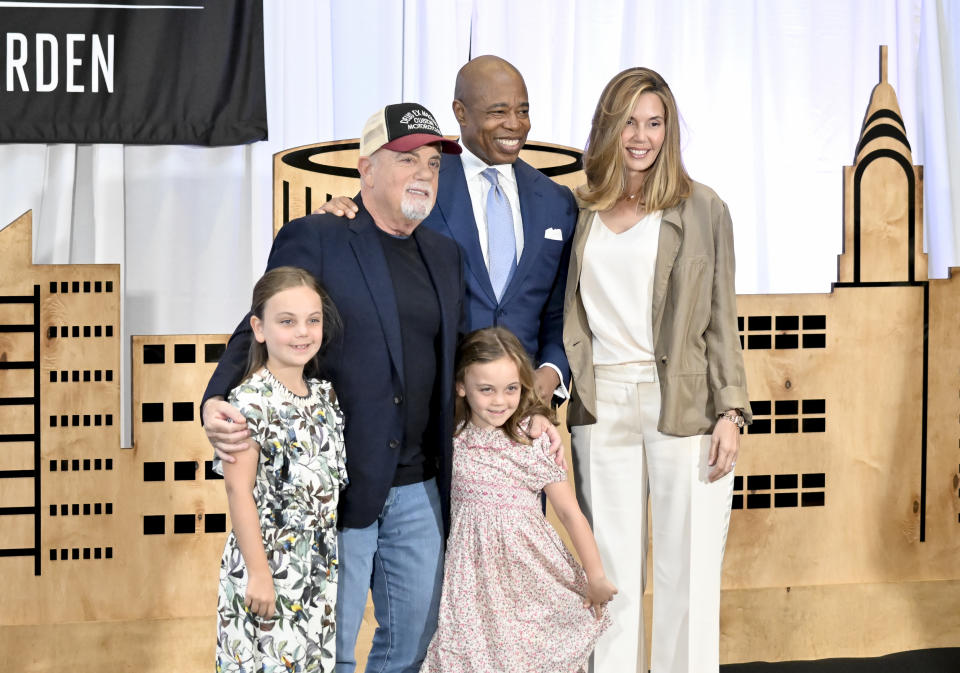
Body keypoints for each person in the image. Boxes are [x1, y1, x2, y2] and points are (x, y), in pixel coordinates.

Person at [203, 102, 465, 673]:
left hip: (421, 484)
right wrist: (215, 399)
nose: (424, 173)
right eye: (407, 160)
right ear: (365, 168)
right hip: (340, 487)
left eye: (433, 163)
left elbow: (459, 358)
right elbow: (259, 321)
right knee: (330, 651)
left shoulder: (446, 255)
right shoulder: (319, 235)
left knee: (413, 642)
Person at [563, 67, 752, 673]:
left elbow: (723, 316)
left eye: (654, 122)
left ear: (669, 129)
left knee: (688, 573)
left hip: (686, 404)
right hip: (602, 404)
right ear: (606, 128)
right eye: (627, 123)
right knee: (609, 578)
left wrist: (732, 412)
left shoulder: (703, 207)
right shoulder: (578, 205)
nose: (640, 137)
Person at [319, 55, 577, 404]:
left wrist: (551, 372)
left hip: (524, 408)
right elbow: (363, 223)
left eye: (523, 111)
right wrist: (334, 214)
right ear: (461, 112)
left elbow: (561, 310)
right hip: (433, 404)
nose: (514, 124)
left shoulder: (555, 201)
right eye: (498, 112)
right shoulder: (422, 182)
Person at [420, 327, 617, 673]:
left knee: (530, 658)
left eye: (511, 389)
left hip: (530, 579)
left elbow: (570, 513)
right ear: (461, 386)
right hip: (473, 586)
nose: (500, 401)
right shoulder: (453, 439)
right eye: (486, 390)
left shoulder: (534, 439)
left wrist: (596, 574)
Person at [215, 266, 346, 673]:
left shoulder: (323, 395)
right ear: (259, 328)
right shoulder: (248, 403)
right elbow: (239, 493)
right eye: (286, 322)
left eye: (313, 320)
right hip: (269, 567)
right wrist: (258, 574)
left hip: (316, 571)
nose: (302, 332)